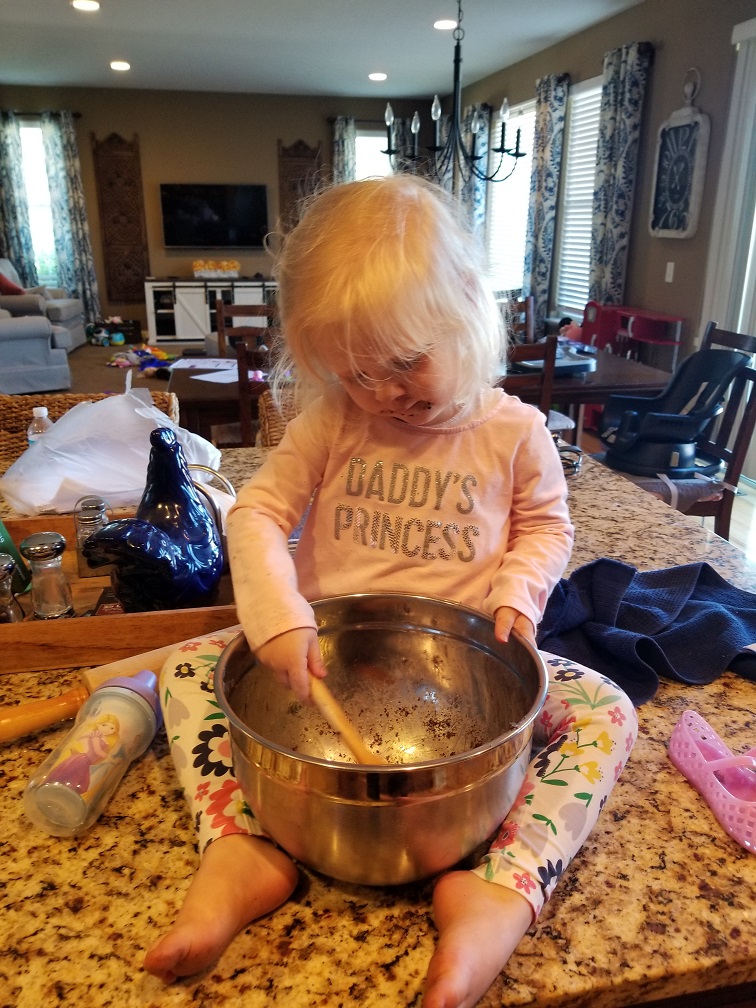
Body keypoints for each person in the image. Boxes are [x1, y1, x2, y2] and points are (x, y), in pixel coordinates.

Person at [144, 175, 637, 1008]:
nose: (380, 394)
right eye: (352, 373)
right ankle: (239, 847)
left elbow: (547, 531)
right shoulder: (334, 422)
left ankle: (502, 886)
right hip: (326, 672)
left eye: (404, 364)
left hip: (465, 691)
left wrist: (520, 591)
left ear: (468, 312)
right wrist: (274, 616)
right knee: (189, 671)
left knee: (606, 712)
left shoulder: (516, 436)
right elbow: (255, 512)